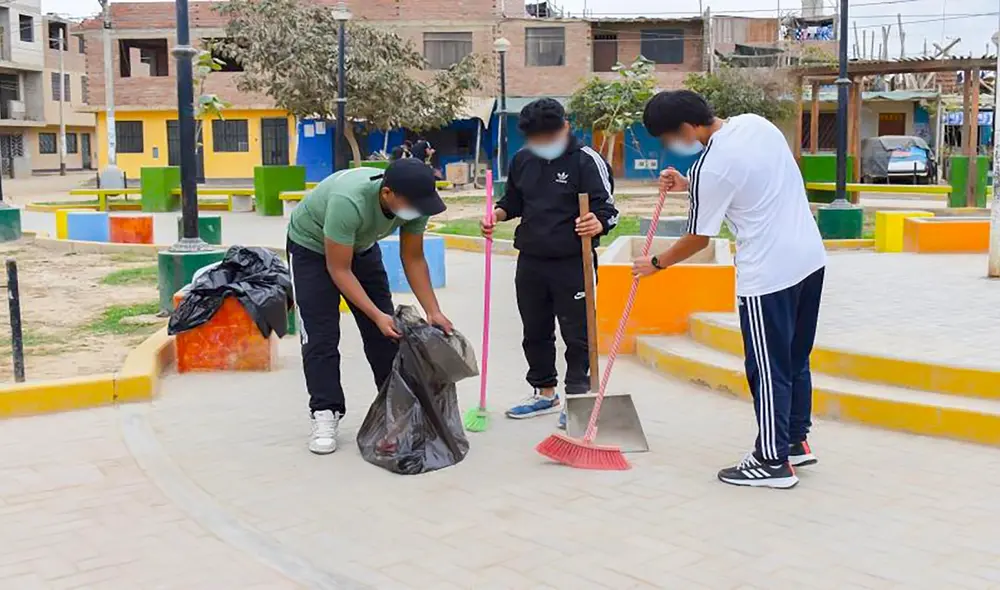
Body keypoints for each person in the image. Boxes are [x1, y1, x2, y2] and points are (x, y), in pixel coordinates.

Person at [635, 90, 826, 489]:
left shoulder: (711, 166)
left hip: (768, 275)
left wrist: (656, 263)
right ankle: (794, 441)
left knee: (768, 369)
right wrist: (689, 184)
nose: (671, 146)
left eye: (668, 139)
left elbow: (698, 238)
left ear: (685, 128)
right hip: (809, 259)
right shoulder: (756, 124)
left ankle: (771, 461)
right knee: (794, 358)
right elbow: (745, 179)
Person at [286, 158, 454, 455]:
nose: (419, 210)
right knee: (320, 335)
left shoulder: (416, 202)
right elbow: (339, 269)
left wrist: (433, 311)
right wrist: (375, 314)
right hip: (311, 248)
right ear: (387, 193)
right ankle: (325, 411)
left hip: (361, 247)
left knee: (387, 334)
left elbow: (413, 258)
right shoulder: (349, 201)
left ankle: (395, 413)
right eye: (413, 205)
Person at [481, 98, 619, 429]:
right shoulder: (522, 159)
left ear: (565, 127)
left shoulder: (587, 161)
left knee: (578, 333)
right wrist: (496, 214)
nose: (542, 144)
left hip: (573, 261)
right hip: (531, 259)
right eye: (536, 139)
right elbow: (513, 201)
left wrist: (598, 223)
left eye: (548, 137)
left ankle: (577, 398)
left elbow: (608, 210)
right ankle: (544, 392)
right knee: (535, 330)